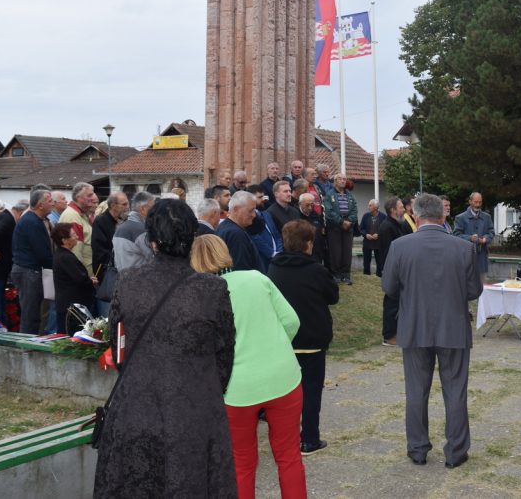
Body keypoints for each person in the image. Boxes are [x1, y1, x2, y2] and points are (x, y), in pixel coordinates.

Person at [94, 200, 237, 498]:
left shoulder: (129, 282)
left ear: (152, 240)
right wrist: (204, 389)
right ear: (192, 238)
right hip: (194, 408)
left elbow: (118, 348)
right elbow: (224, 355)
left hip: (138, 405)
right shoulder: (211, 289)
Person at [189, 234, 306, 499]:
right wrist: (275, 347)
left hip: (236, 388)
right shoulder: (256, 278)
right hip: (283, 377)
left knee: (241, 463)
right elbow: (292, 321)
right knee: (289, 456)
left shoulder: (199, 296)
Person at [382, 193, 481, 469]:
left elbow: (389, 287)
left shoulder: (400, 246)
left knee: (416, 391)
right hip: (453, 327)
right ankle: (456, 451)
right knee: (455, 390)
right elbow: (474, 290)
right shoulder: (463, 248)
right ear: (442, 215)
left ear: (415, 216)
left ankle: (417, 448)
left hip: (414, 327)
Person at [268, 220, 340, 456]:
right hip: (312, 339)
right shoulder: (316, 270)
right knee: (311, 392)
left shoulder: (274, 268)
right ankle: (309, 438)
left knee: (284, 393)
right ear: (308, 244)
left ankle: (285, 438)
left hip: (285, 339)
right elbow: (333, 296)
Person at [11, 189, 55, 334]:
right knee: (30, 315)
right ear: (40, 205)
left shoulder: (36, 220)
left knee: (33, 313)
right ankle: (26, 344)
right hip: (28, 272)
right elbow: (42, 252)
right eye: (49, 201)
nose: (53, 203)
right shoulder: (32, 222)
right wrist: (58, 267)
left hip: (30, 271)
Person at [51, 223, 97, 334]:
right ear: (64, 240)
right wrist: (91, 281)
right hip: (71, 307)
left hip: (68, 304)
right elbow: (80, 279)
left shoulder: (63, 254)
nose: (76, 236)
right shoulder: (65, 257)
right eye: (73, 235)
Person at [378, 196, 406, 346]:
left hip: (399, 270)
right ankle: (389, 336)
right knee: (391, 304)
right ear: (393, 210)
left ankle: (397, 332)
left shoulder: (397, 225)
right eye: (401, 207)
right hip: (392, 271)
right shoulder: (387, 227)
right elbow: (388, 253)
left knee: (397, 303)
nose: (404, 210)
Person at [216, 191, 267, 273]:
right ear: (236, 209)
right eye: (251, 210)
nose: (254, 215)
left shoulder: (224, 227)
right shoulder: (236, 235)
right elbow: (242, 271)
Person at [322, 174, 357, 285]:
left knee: (347, 252)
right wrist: (341, 222)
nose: (343, 181)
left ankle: (346, 275)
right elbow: (329, 212)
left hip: (348, 228)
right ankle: (335, 275)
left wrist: (349, 221)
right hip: (335, 228)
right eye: (340, 179)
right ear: (335, 182)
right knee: (335, 252)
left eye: (344, 179)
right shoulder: (329, 195)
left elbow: (354, 210)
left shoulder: (350, 195)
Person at [112, 191, 157, 275]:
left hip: (121, 278)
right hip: (139, 279)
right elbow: (153, 259)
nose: (155, 212)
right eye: (153, 208)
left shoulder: (120, 227)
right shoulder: (141, 230)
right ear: (143, 209)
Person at [59, 182, 98, 273]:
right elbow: (75, 252)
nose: (93, 198)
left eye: (93, 194)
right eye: (89, 195)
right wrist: (82, 275)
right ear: (78, 198)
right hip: (83, 273)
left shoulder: (81, 214)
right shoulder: (73, 216)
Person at [453, 192, 494, 277]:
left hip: (481, 258)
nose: (478, 205)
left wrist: (485, 239)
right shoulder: (460, 218)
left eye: (480, 202)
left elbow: (491, 232)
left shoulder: (487, 217)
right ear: (470, 202)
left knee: (482, 283)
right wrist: (470, 238)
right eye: (475, 202)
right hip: (466, 258)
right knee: (465, 284)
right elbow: (456, 235)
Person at [358, 199, 385, 276]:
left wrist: (379, 234)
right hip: (367, 242)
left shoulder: (383, 216)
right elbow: (361, 228)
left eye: (370, 205)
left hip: (379, 243)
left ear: (376, 207)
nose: (368, 207)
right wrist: (366, 234)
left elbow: (385, 229)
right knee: (366, 260)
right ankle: (366, 274)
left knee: (379, 261)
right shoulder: (365, 216)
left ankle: (379, 274)